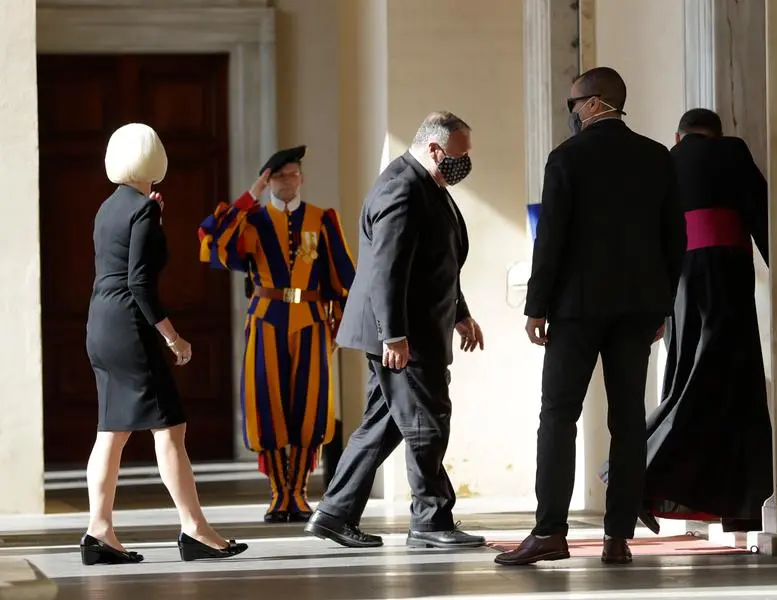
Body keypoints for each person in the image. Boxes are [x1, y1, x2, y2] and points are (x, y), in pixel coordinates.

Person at [495, 67, 686, 567]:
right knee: (628, 423)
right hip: (638, 309)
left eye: (573, 103)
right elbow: (675, 239)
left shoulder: (567, 158)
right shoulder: (656, 157)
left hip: (577, 310)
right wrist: (661, 305)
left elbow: (551, 240)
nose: (572, 113)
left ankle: (550, 533)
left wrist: (536, 305)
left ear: (596, 102)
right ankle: (617, 538)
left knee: (558, 415)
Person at [305, 111, 486, 550]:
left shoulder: (428, 185)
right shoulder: (402, 188)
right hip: (404, 335)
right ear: (435, 149)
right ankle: (430, 521)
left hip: (414, 328)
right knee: (427, 423)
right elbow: (386, 271)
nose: (465, 162)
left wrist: (459, 311)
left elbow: (434, 261)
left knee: (384, 423)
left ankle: (333, 513)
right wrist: (394, 336)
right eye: (460, 155)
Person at [83, 123, 248, 565]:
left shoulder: (108, 208)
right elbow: (140, 283)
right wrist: (173, 337)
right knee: (169, 428)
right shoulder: (144, 210)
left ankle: (98, 531)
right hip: (130, 326)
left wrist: (151, 214)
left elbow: (120, 264)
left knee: (111, 431)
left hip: (100, 323)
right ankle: (195, 529)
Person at [601, 108, 772, 533]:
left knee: (686, 380)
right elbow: (764, 214)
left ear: (679, 137)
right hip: (725, 277)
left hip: (677, 283)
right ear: (715, 134)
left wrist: (655, 305)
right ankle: (641, 477)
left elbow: (646, 237)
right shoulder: (732, 152)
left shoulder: (664, 160)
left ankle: (728, 502)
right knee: (730, 385)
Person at [199, 146, 356, 524]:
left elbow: (344, 276)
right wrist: (250, 195)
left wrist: (343, 324)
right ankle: (278, 493)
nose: (288, 181)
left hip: (312, 321)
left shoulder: (321, 219)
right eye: (279, 176)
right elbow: (214, 246)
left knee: (309, 405)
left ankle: (298, 492)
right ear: (267, 180)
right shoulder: (250, 219)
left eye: (293, 174)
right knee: (265, 404)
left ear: (301, 178)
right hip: (266, 319)